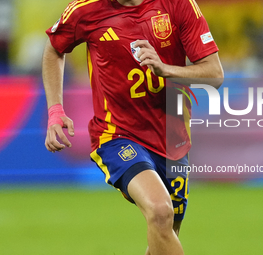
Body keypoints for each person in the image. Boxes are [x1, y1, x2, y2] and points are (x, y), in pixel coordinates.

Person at [42, 0, 223, 254]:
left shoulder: (177, 4)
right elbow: (54, 49)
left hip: (173, 136)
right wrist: (55, 110)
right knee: (160, 211)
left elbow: (214, 73)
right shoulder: (85, 9)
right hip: (117, 135)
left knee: (163, 235)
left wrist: (165, 69)